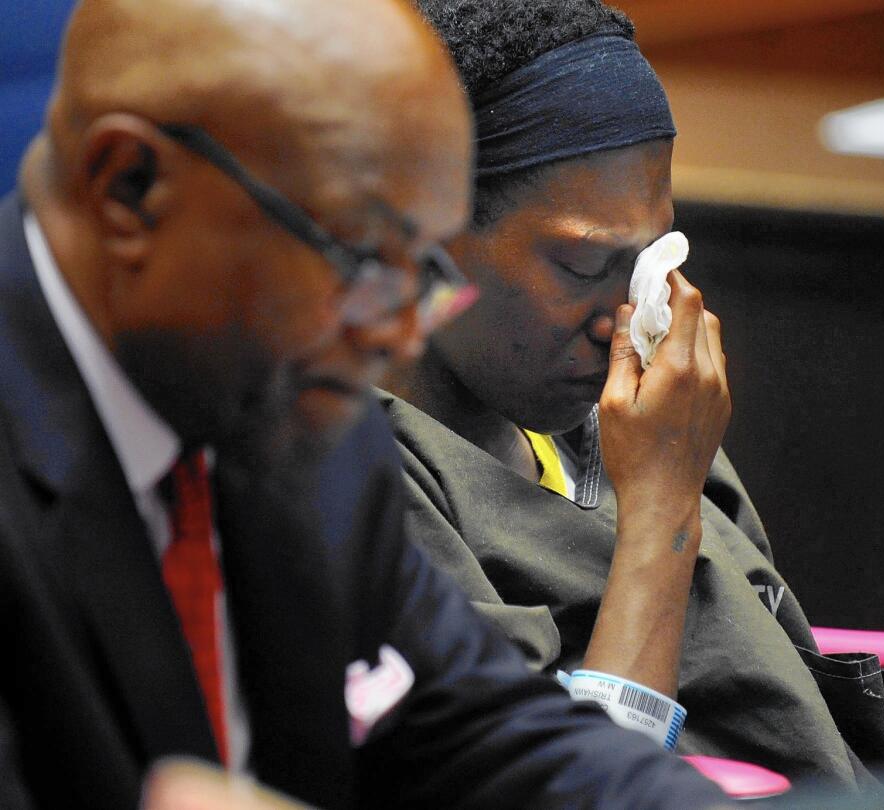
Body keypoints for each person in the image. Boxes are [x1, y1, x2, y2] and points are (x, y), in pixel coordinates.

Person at [0, 0, 733, 807]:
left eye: (423, 271)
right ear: (130, 190)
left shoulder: (305, 413)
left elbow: (488, 731)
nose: (396, 335)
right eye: (357, 260)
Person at [380, 0, 884, 791]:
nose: (626, 319)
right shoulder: (376, 479)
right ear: (425, 238)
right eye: (585, 268)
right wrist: (659, 511)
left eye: (652, 258)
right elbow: (562, 791)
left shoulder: (619, 412)